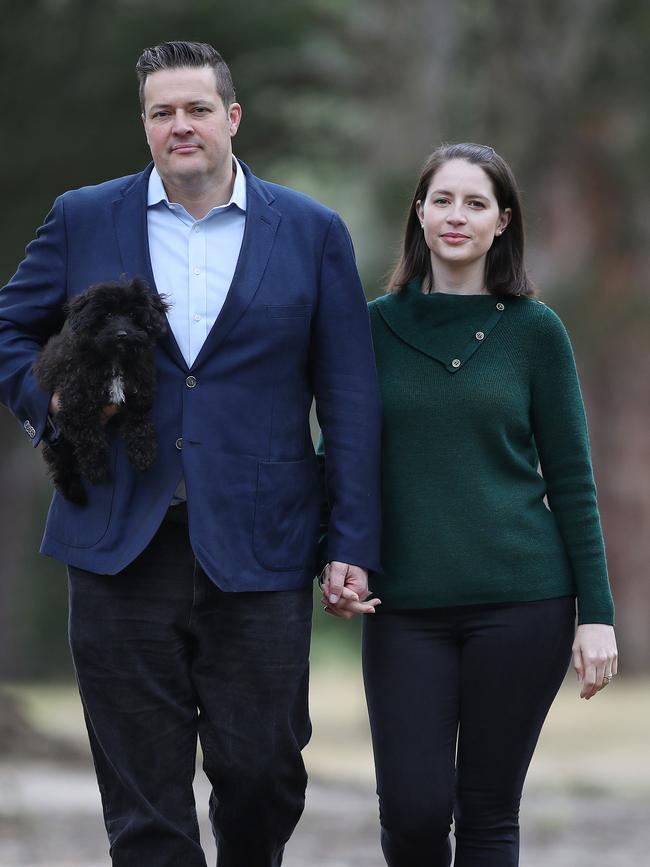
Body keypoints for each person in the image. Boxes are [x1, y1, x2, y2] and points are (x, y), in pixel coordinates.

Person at [0, 40, 381, 867]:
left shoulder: (312, 232)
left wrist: (351, 542)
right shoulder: (83, 216)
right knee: (142, 800)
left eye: (197, 109)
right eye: (162, 112)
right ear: (144, 124)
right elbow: (8, 329)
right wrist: (51, 402)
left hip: (263, 541)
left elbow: (350, 400)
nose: (181, 126)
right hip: (116, 538)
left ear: (232, 118)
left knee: (263, 772)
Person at [321, 142, 617, 866]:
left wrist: (598, 612)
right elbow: (342, 457)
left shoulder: (535, 332)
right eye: (443, 200)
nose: (458, 215)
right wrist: (335, 553)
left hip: (524, 601)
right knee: (415, 812)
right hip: (404, 608)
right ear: (419, 215)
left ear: (502, 222)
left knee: (487, 811)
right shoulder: (368, 327)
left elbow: (573, 477)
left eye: (476, 202)